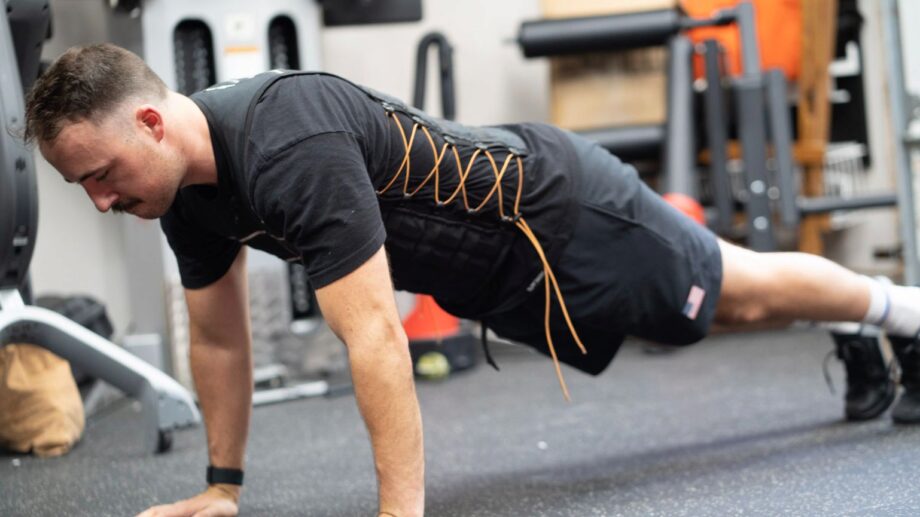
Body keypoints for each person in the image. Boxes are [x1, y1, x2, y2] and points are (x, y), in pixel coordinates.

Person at [23, 44, 920, 517]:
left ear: (149, 120)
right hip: (505, 282)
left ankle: (901, 311)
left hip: (570, 219)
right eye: (82, 186)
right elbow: (218, 335)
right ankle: (853, 324)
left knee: (743, 289)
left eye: (101, 172)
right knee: (700, 318)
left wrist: (398, 513)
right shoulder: (183, 194)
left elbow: (372, 332)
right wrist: (223, 485)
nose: (100, 200)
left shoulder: (286, 139)